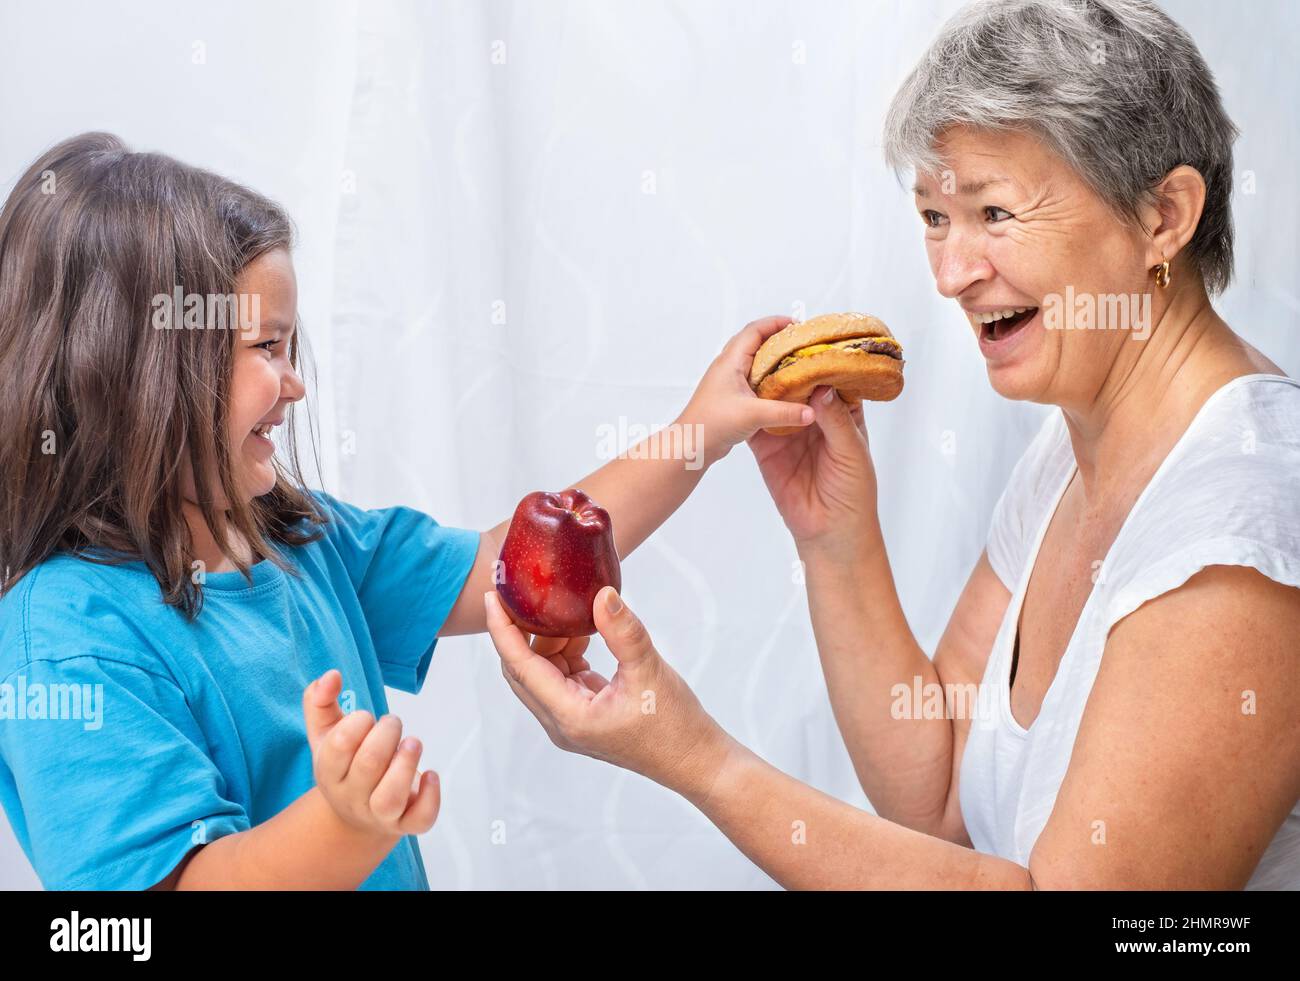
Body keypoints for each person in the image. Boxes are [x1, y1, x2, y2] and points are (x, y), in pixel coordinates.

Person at [485, 0, 1300, 889]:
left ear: (1164, 216)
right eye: (935, 218)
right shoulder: (1075, 448)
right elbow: (938, 790)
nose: (952, 274)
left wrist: (697, 759)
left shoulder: (1239, 535)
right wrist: (836, 536)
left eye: (993, 211)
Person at [0, 133, 812, 889]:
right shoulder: (66, 640)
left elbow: (514, 561)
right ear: (137, 368)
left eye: (292, 348)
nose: (295, 384)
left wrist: (703, 430)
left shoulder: (301, 539)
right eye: (267, 347)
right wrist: (347, 825)